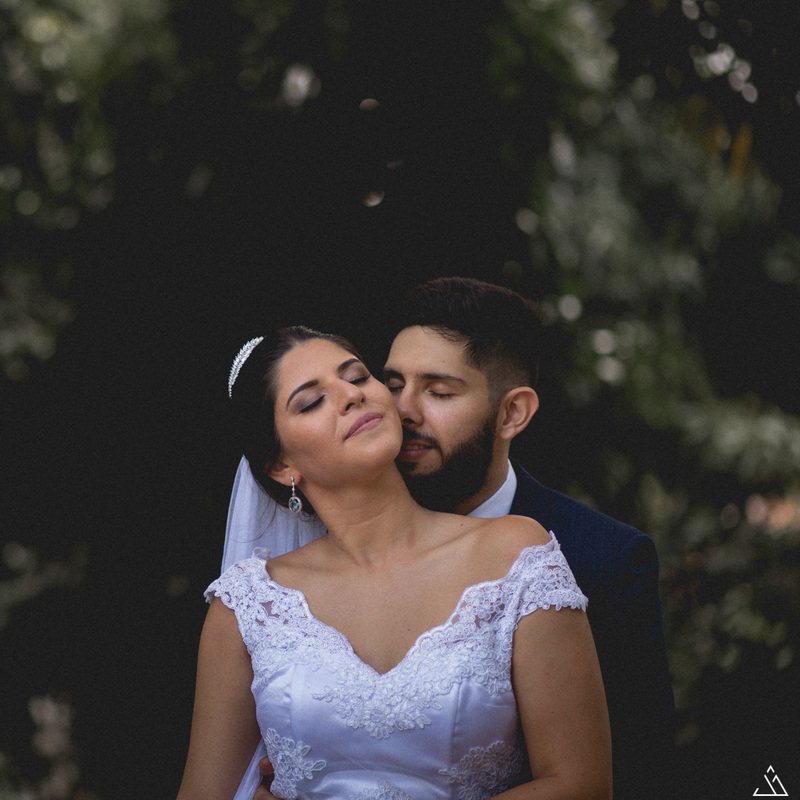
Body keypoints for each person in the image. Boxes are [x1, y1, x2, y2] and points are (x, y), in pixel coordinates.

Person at [225, 279, 673, 800]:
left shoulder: (598, 557)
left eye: (438, 392)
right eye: (392, 384)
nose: (404, 410)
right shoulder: (289, 569)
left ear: (512, 414)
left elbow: (633, 776)